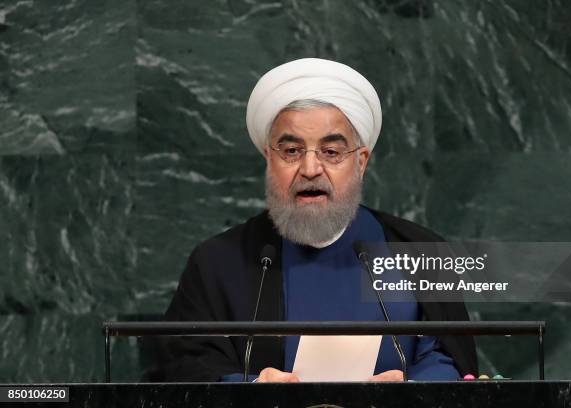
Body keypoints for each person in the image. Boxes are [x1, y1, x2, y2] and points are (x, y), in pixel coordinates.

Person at [145, 58, 477, 383]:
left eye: (331, 152)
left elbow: (447, 357)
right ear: (268, 158)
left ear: (361, 162)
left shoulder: (422, 252)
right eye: (291, 151)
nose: (310, 169)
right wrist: (250, 390)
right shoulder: (216, 262)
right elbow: (186, 365)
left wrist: (408, 391)